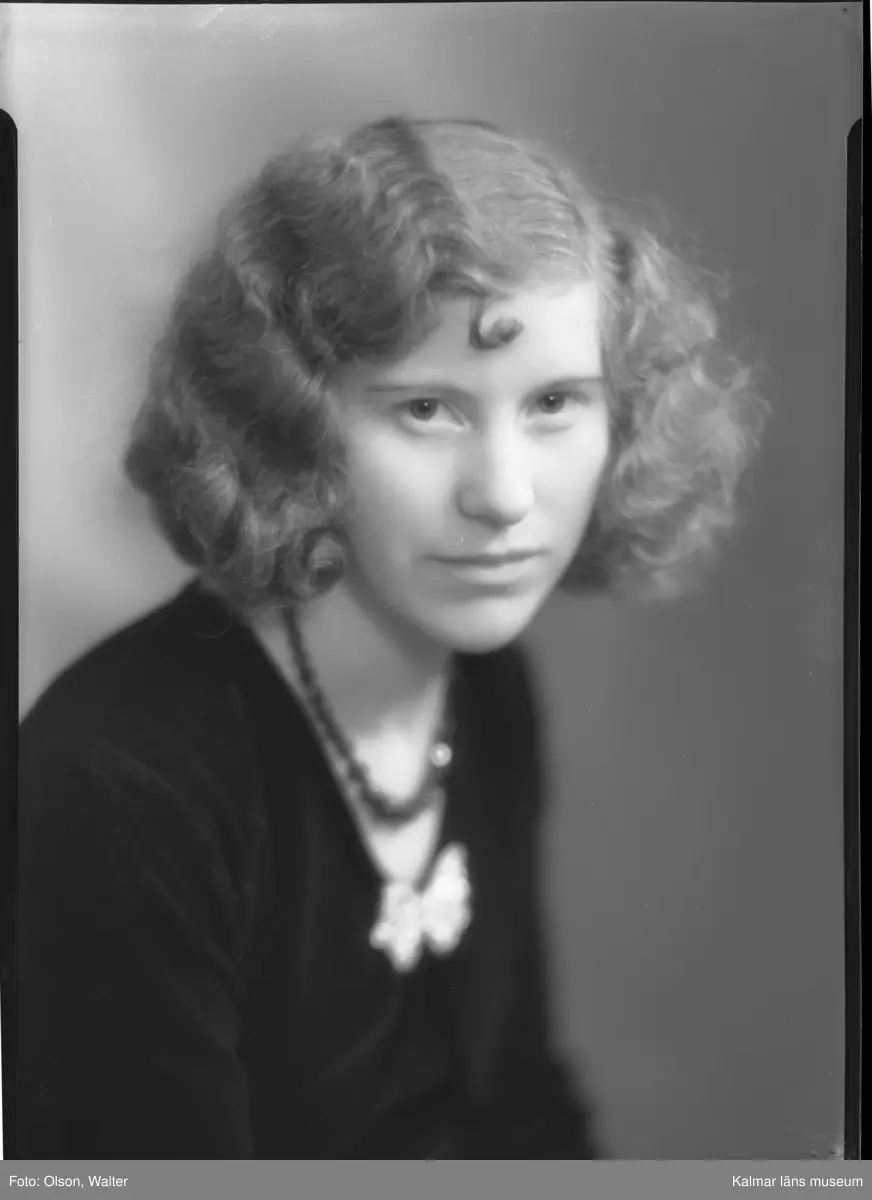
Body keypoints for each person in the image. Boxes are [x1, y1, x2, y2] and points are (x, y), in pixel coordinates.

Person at [17, 115, 761, 1159]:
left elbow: (517, 1105)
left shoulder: (485, 689)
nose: (504, 496)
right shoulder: (119, 787)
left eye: (554, 401)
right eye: (426, 410)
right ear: (290, 424)